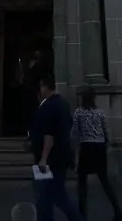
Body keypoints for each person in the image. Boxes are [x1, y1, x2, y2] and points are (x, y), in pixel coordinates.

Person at [29, 74, 81, 221]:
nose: (40, 90)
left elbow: (49, 135)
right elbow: (68, 129)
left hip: (50, 160)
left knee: (44, 197)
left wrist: (43, 158)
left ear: (45, 87)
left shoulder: (48, 106)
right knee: (58, 195)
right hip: (61, 157)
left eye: (41, 87)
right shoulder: (63, 104)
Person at [72, 87, 122, 221]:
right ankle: (117, 211)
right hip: (99, 147)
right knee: (105, 181)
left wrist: (74, 151)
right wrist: (106, 144)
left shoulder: (79, 112)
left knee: (82, 183)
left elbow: (75, 132)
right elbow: (105, 131)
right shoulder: (99, 113)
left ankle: (82, 214)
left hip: (86, 146)